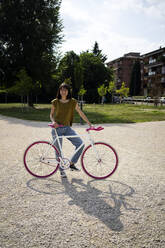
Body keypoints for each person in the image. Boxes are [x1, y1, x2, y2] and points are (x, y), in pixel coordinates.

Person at [50, 82, 91, 178]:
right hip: (57, 129)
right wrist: (53, 122)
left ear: (68, 91)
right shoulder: (55, 102)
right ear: (59, 91)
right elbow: (51, 115)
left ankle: (72, 163)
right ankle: (61, 170)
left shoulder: (73, 102)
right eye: (61, 90)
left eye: (65, 90)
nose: (63, 92)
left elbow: (80, 112)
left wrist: (89, 123)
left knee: (80, 144)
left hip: (67, 128)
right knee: (58, 151)